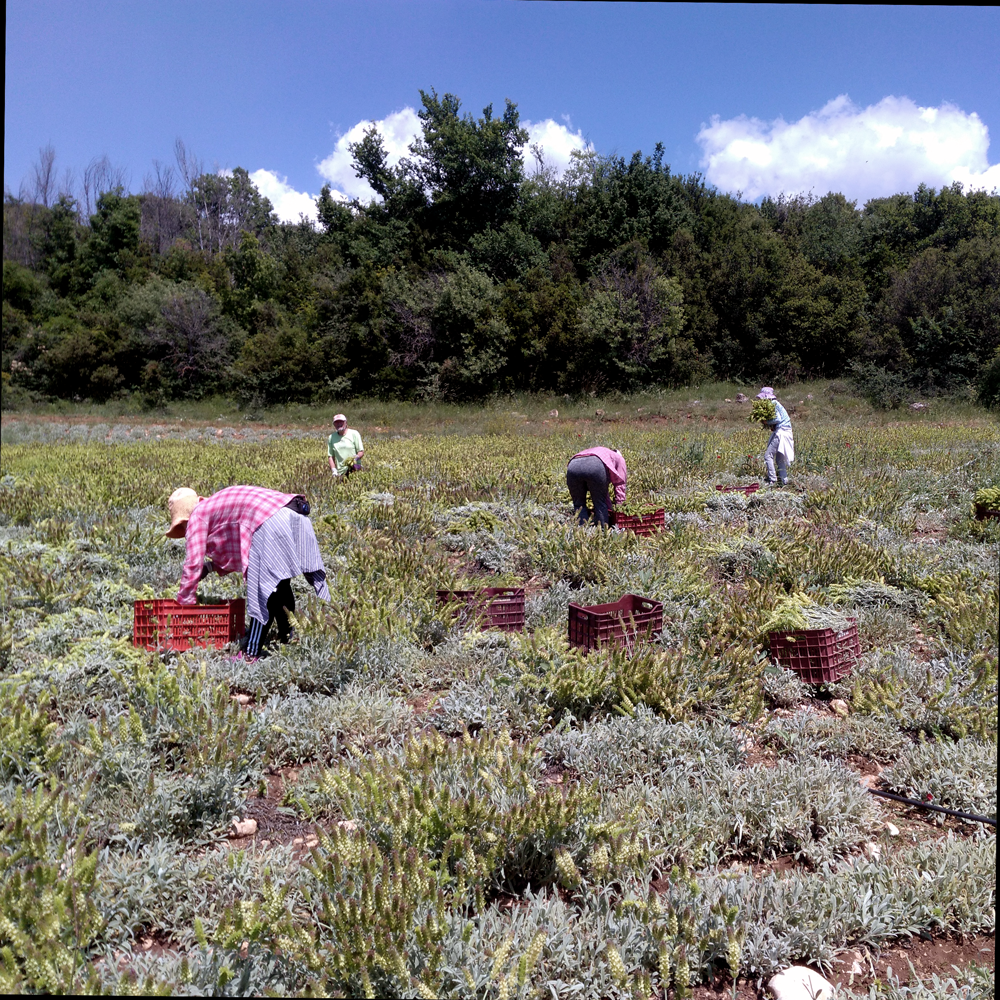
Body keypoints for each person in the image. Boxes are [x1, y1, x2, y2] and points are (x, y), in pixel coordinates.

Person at [166, 485, 330, 660]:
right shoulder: (216, 505)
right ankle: (288, 640)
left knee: (264, 589)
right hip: (293, 514)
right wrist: (210, 567)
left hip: (270, 522)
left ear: (184, 521)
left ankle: (250, 654)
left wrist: (184, 603)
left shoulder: (197, 516)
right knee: (281, 584)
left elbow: (192, 563)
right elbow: (236, 550)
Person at [566, 447, 627, 527]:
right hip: (594, 465)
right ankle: (602, 533)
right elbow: (620, 484)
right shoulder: (619, 458)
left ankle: (582, 533)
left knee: (579, 504)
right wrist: (620, 507)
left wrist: (610, 507)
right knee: (599, 503)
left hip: (573, 465)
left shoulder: (604, 452)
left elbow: (604, 491)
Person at [756, 387, 794, 486]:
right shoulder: (776, 403)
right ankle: (784, 481)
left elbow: (777, 418)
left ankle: (772, 480)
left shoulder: (772, 404)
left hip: (781, 432)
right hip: (785, 431)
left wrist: (766, 422)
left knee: (768, 456)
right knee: (779, 459)